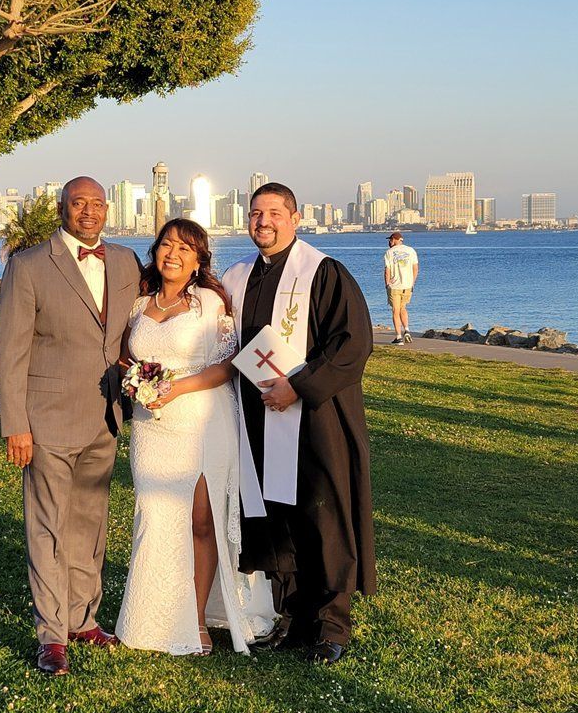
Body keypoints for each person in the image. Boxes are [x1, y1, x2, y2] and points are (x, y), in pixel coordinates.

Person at [222, 182, 377, 665]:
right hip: (257, 416)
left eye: (273, 213)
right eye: (255, 214)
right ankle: (292, 618)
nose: (262, 222)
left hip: (316, 417)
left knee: (321, 514)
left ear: (294, 217)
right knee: (274, 517)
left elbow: (352, 343)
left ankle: (332, 625)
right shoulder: (238, 277)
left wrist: (299, 387)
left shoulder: (324, 272)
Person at [0, 176, 141, 676]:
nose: (90, 212)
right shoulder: (29, 265)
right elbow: (9, 352)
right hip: (47, 420)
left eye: (98, 204)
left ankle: (84, 619)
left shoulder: (124, 261)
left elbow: (136, 329)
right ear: (62, 208)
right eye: (80, 204)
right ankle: (52, 637)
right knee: (48, 529)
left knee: (89, 526)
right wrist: (15, 424)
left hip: (106, 418)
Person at [114, 218, 276, 656]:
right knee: (155, 512)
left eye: (185, 249)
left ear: (198, 260)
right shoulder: (137, 304)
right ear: (155, 251)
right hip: (152, 426)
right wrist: (138, 382)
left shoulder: (208, 302)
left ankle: (199, 617)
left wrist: (176, 387)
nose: (173, 254)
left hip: (204, 419)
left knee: (200, 521)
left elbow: (227, 365)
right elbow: (126, 356)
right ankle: (153, 617)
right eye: (167, 245)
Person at [384, 231, 419, 345]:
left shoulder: (389, 252)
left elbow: (387, 271)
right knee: (403, 308)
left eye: (390, 240)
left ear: (395, 240)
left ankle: (399, 337)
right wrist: (412, 282)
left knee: (395, 310)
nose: (389, 242)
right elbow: (415, 268)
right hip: (407, 285)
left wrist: (387, 284)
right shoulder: (411, 250)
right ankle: (407, 329)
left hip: (395, 286)